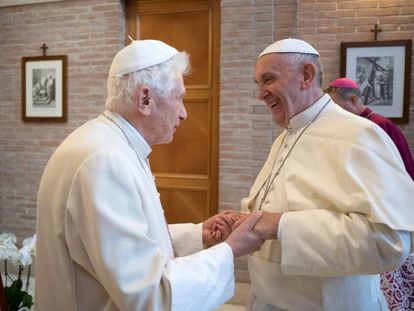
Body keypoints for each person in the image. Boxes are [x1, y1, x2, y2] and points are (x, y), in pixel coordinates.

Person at [35, 39, 265, 311]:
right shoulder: (104, 161)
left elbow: (124, 243)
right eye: (178, 98)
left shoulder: (107, 143)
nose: (184, 113)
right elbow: (148, 295)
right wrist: (230, 251)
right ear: (145, 99)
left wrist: (198, 235)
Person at [233, 38, 414, 310]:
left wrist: (281, 225)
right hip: (267, 299)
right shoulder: (285, 136)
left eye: (268, 80)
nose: (261, 94)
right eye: (258, 84)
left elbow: (390, 242)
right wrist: (248, 218)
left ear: (306, 75)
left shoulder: (358, 134)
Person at [326, 77, 414, 310]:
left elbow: (399, 175)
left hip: (386, 213)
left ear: (353, 99)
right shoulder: (351, 127)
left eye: (335, 105)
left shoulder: (378, 126)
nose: (332, 112)